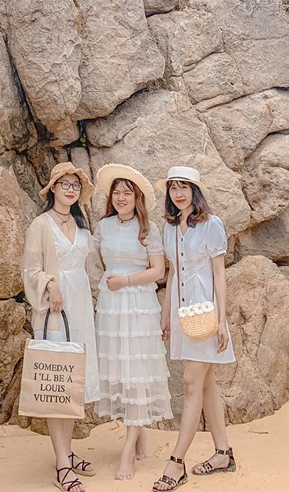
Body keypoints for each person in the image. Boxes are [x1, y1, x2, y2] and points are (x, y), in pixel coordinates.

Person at [153, 167, 236, 492]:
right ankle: (223, 453)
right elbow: (173, 273)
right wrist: (165, 314)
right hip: (181, 312)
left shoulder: (211, 225)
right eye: (173, 188)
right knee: (206, 384)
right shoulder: (170, 227)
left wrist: (221, 320)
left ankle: (176, 463)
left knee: (190, 384)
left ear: (194, 191)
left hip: (206, 312)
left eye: (184, 187)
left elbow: (219, 274)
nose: (178, 193)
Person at [22, 162, 102, 492]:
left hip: (80, 312)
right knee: (57, 383)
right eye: (64, 184)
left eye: (75, 185)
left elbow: (93, 272)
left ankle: (67, 453)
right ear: (52, 188)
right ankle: (62, 465)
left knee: (72, 386)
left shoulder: (83, 229)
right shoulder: (41, 225)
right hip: (54, 313)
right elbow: (29, 269)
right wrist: (50, 284)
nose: (70, 189)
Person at [94, 163, 172, 481]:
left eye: (127, 192)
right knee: (120, 371)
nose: (121, 197)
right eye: (117, 192)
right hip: (111, 307)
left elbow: (158, 271)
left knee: (136, 372)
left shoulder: (148, 229)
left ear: (137, 197)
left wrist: (125, 281)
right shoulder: (104, 226)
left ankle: (128, 450)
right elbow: (98, 263)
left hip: (138, 305)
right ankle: (139, 433)